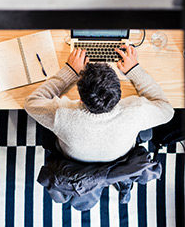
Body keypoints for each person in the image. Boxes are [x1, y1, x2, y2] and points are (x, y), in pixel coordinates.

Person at [24, 45, 174, 162]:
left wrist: (70, 71)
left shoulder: (62, 114)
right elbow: (166, 109)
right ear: (118, 94)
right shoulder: (135, 112)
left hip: (73, 159)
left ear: (81, 99)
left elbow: (31, 102)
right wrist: (134, 70)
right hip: (118, 158)